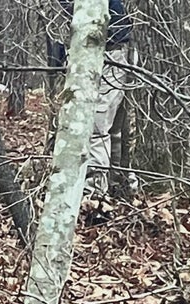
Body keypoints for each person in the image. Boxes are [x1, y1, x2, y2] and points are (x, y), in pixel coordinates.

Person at [50, 0, 133, 197]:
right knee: (107, 128)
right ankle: (112, 186)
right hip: (97, 52)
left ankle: (95, 194)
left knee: (97, 127)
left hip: (110, 53)